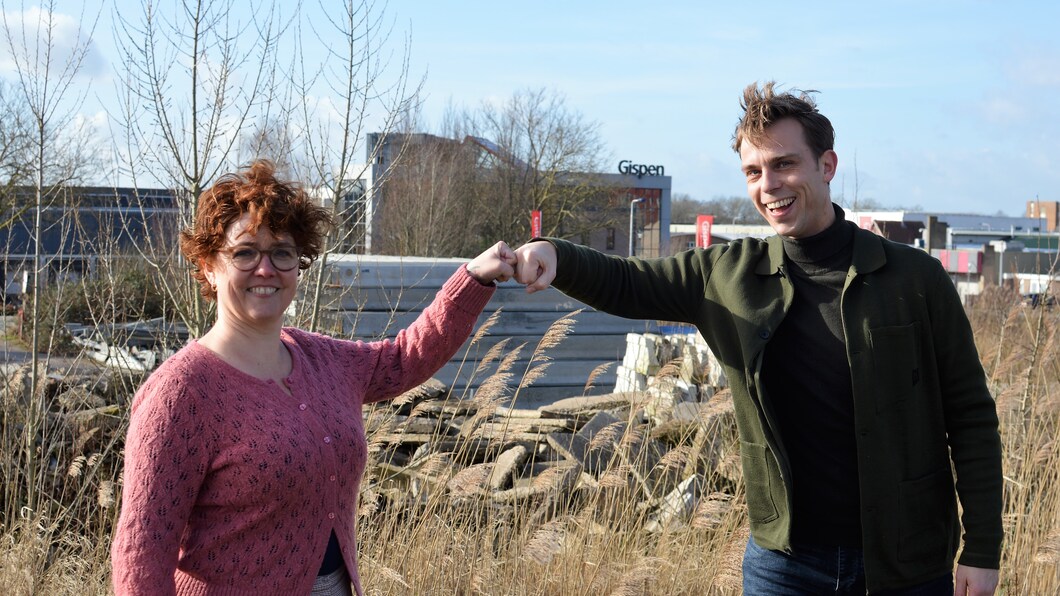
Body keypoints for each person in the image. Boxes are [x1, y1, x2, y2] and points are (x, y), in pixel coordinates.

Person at [513, 82, 1003, 595]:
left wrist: (983, 548)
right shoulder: (726, 276)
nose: (768, 185)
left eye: (784, 164)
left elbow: (969, 415)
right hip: (786, 566)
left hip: (906, 564)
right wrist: (555, 255)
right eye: (753, 171)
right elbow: (628, 281)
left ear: (827, 166)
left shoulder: (915, 279)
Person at [110, 160, 516, 596]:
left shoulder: (322, 359)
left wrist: (475, 276)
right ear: (210, 266)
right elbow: (141, 555)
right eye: (244, 252)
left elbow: (404, 358)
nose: (265, 269)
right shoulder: (181, 393)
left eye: (281, 253)